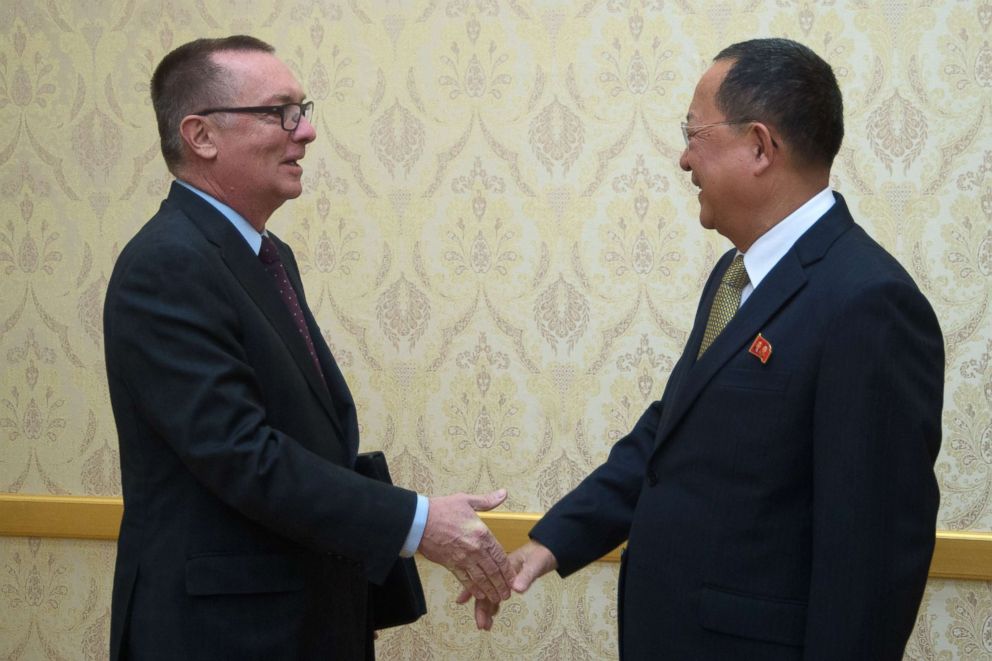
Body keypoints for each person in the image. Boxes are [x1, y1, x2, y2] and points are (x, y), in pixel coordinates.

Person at [464, 38, 945, 660]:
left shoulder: (868, 302)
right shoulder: (733, 275)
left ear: (760, 146)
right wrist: (551, 542)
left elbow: (872, 557)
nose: (683, 158)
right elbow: (672, 438)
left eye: (695, 134)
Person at [104, 35, 514, 661]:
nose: (307, 131)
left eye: (304, 109)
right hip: (221, 637)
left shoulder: (266, 257)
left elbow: (310, 440)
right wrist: (416, 522)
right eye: (280, 112)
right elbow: (243, 455)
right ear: (201, 135)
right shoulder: (167, 265)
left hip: (299, 621)